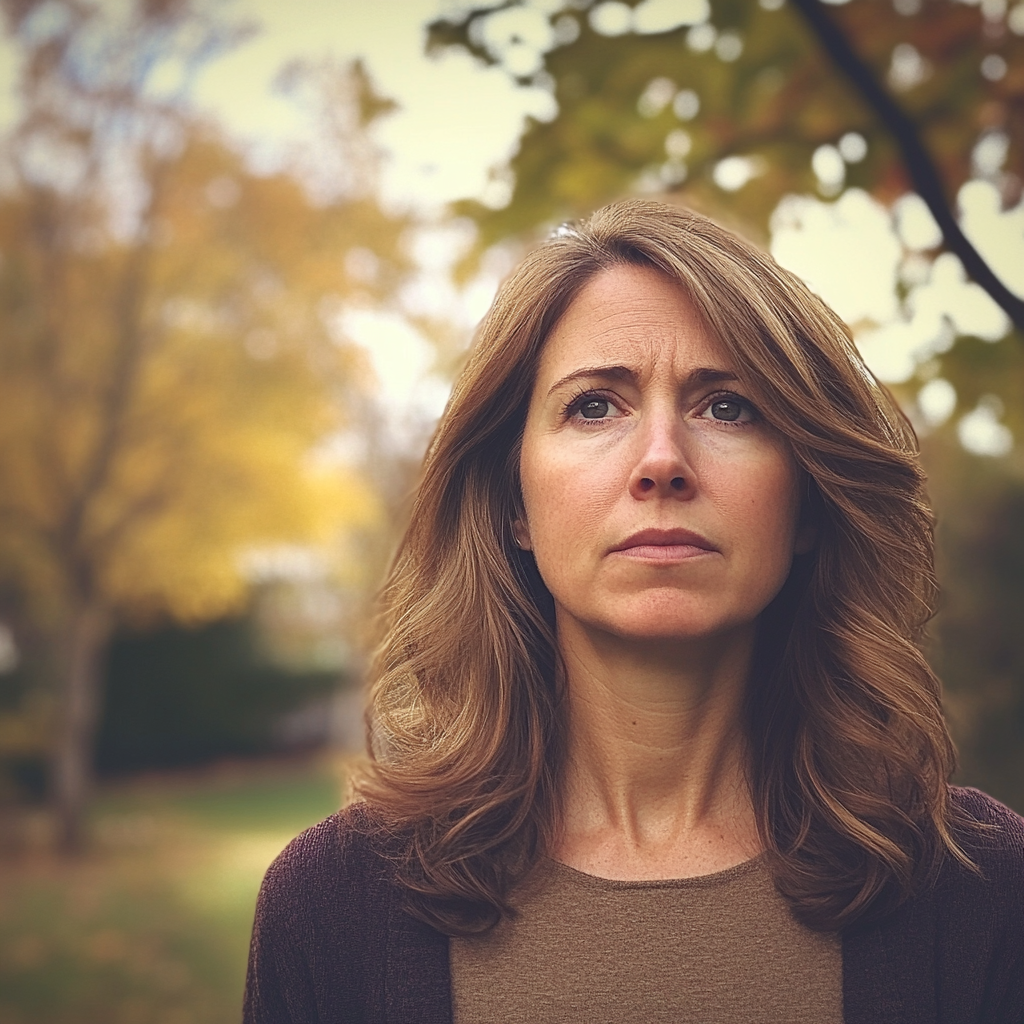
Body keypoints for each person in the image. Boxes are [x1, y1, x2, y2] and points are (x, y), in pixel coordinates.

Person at [243, 200, 1024, 1024]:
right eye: (594, 406)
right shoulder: (329, 909)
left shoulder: (983, 893)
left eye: (727, 406)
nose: (662, 461)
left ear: (805, 500)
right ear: (515, 500)